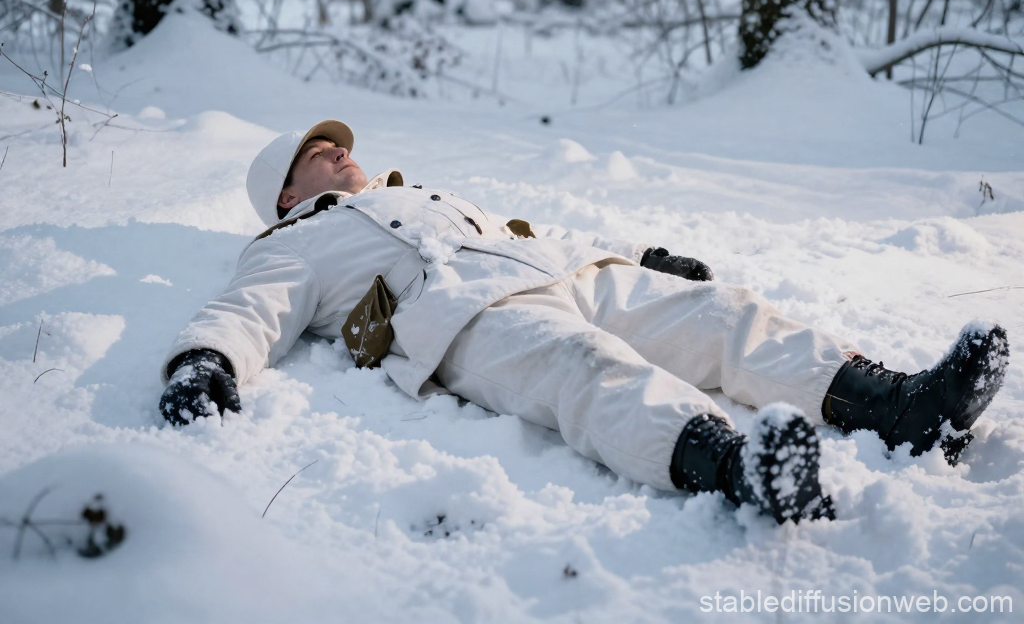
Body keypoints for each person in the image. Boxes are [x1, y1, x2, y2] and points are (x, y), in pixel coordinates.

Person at [160, 120, 1010, 524]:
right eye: (320, 153)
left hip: (565, 271)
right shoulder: (292, 243)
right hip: (465, 316)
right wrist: (206, 362)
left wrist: (643, 254)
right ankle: (739, 470)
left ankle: (901, 406)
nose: (342, 151)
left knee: (721, 314)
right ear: (285, 191)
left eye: (339, 144)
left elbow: (532, 232)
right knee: (588, 372)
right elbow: (245, 311)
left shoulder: (416, 192)